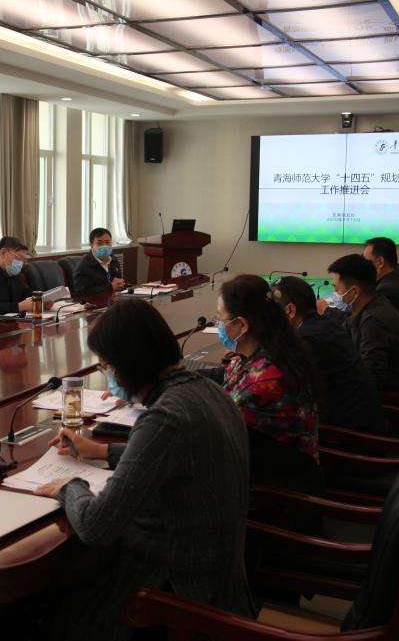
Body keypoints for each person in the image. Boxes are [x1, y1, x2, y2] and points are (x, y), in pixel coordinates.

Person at [34, 300, 254, 640]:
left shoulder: (164, 417)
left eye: (106, 365)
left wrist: (68, 486)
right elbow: (178, 457)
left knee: (43, 608)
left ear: (128, 365)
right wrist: (103, 451)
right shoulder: (210, 390)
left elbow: (95, 525)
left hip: (172, 592)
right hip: (220, 580)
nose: (107, 374)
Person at [198, 275, 324, 495]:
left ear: (241, 325)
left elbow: (215, 436)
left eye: (220, 318)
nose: (218, 324)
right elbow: (225, 373)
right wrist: (177, 376)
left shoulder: (264, 382)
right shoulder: (271, 351)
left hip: (276, 497)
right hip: (271, 468)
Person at [273, 276, 386, 434]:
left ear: (290, 310)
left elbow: (289, 391)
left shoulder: (307, 339)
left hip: (351, 436)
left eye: (272, 312)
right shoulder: (324, 324)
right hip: (365, 420)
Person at [326, 254, 399, 398]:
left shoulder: (374, 321)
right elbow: (344, 332)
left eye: (336, 289)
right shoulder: (373, 304)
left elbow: (371, 380)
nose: (334, 294)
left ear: (354, 292)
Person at [72, 227, 125, 297]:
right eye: (99, 243)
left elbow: (117, 284)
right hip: (95, 302)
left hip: (114, 299)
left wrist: (120, 284)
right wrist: (110, 287)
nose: (104, 246)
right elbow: (82, 293)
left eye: (107, 242)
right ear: (91, 245)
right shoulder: (83, 266)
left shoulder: (114, 260)